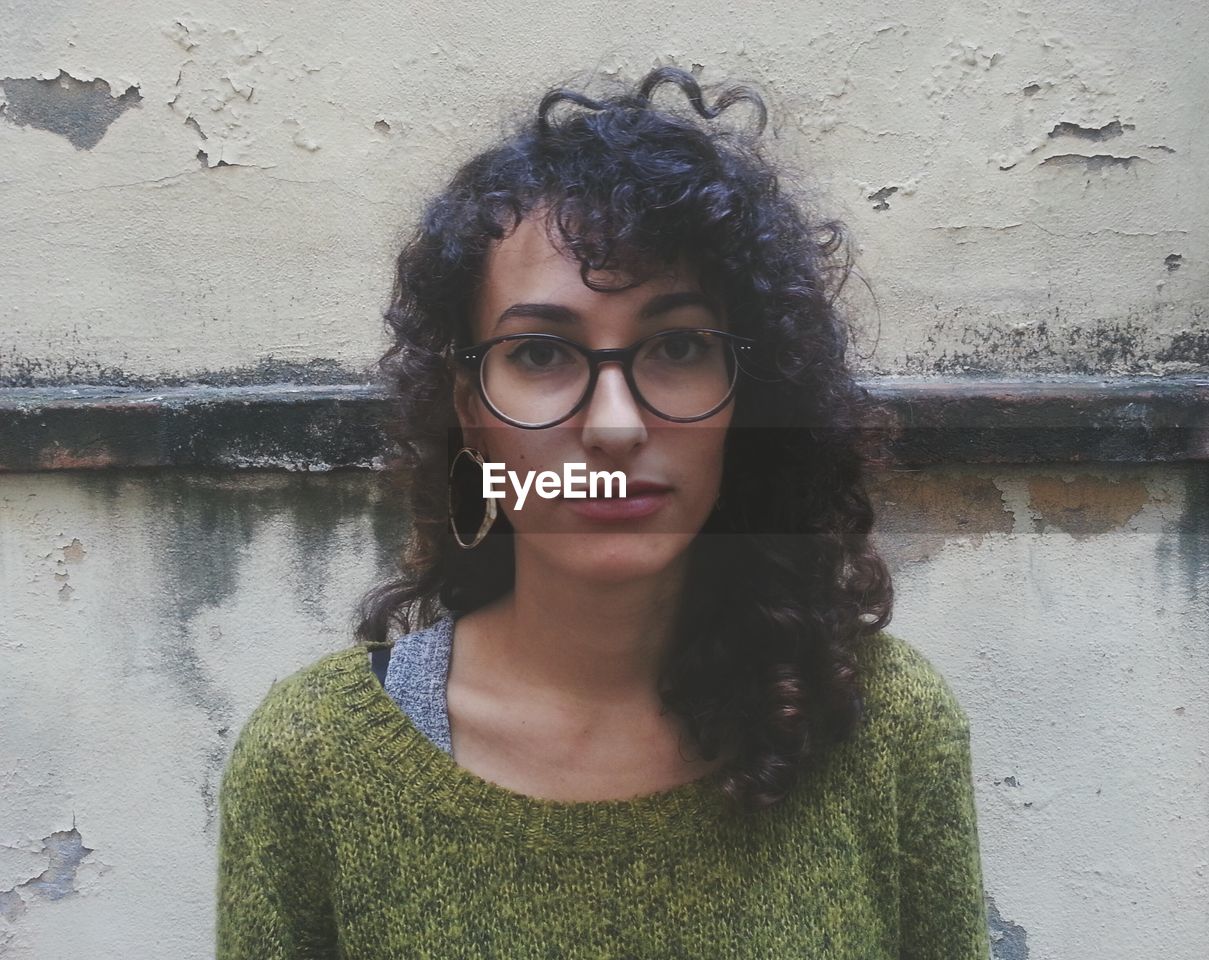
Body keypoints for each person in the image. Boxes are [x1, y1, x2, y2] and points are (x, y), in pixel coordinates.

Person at [214, 65, 989, 958]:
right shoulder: (313, 766)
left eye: (679, 346)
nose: (616, 425)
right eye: (542, 354)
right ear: (471, 407)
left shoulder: (880, 724)